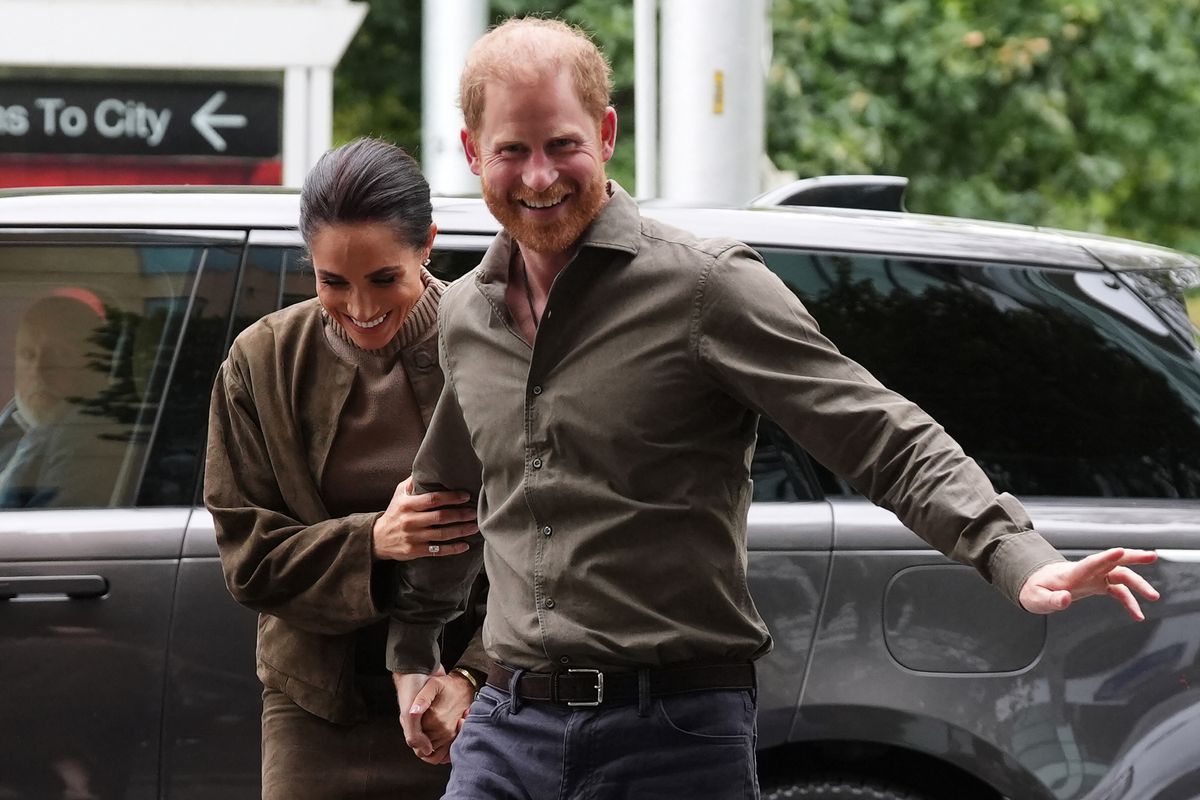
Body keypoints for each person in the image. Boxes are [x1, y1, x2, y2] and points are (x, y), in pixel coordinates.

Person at [388, 18, 1161, 800]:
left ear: (608, 133)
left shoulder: (703, 289)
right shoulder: (464, 316)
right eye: (513, 150)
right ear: (472, 152)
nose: (539, 176)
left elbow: (876, 432)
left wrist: (1015, 553)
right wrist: (415, 651)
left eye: (563, 144)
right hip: (509, 730)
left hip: (673, 736)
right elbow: (446, 498)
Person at [204, 138, 488, 800]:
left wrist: (473, 676)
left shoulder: (491, 348)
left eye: (383, 279)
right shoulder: (261, 362)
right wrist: (375, 541)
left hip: (473, 697)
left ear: (427, 245)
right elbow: (249, 558)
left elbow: (545, 544)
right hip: (315, 706)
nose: (360, 310)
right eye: (333, 281)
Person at [0, 292, 126, 508]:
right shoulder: (16, 424)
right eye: (28, 354)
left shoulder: (88, 432)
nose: (39, 371)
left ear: (95, 368)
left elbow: (45, 534)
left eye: (61, 354)